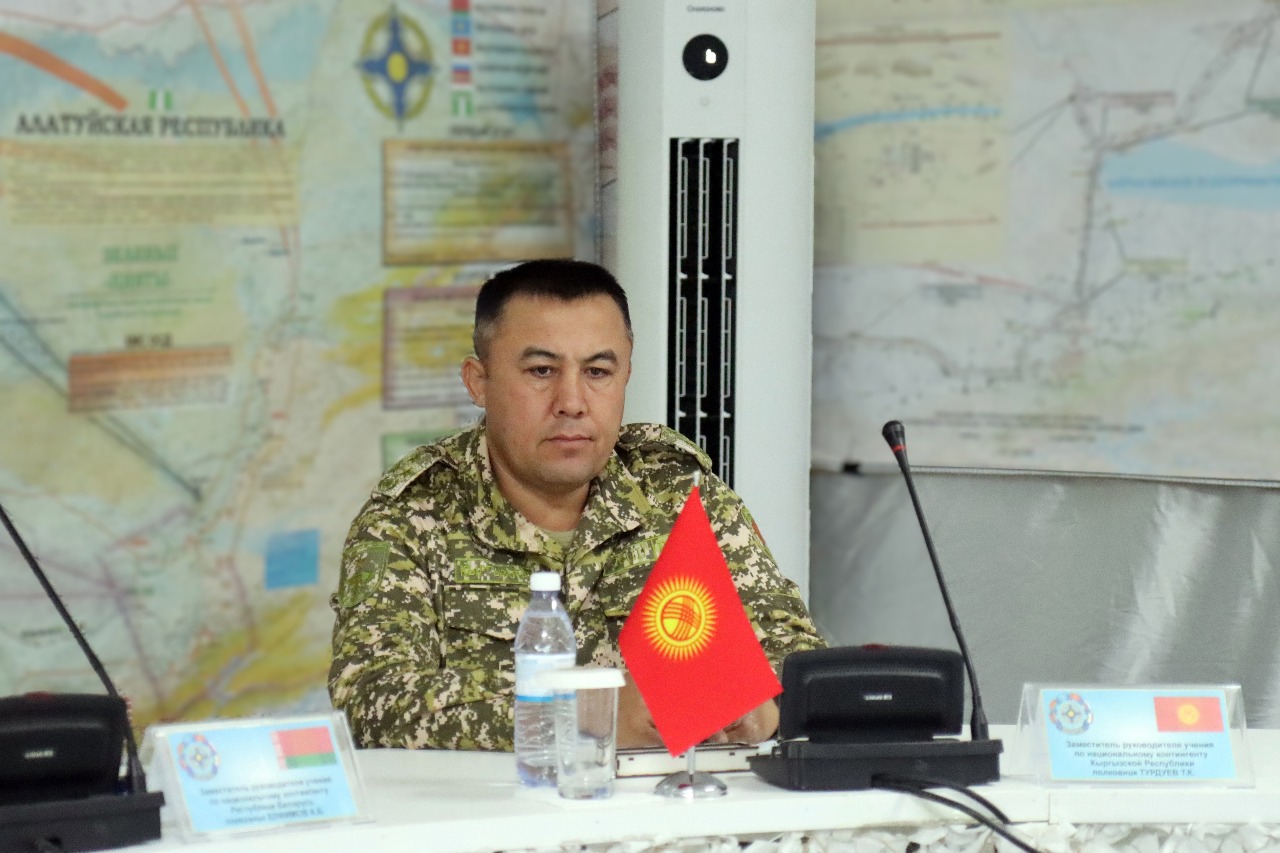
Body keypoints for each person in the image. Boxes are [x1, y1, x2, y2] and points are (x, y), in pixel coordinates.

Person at [328, 259, 824, 750]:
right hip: (503, 801)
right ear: (479, 382)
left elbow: (799, 659)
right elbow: (371, 701)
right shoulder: (411, 516)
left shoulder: (678, 493)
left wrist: (763, 707)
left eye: (598, 371)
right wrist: (586, 716)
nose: (572, 401)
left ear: (626, 376)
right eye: (541, 371)